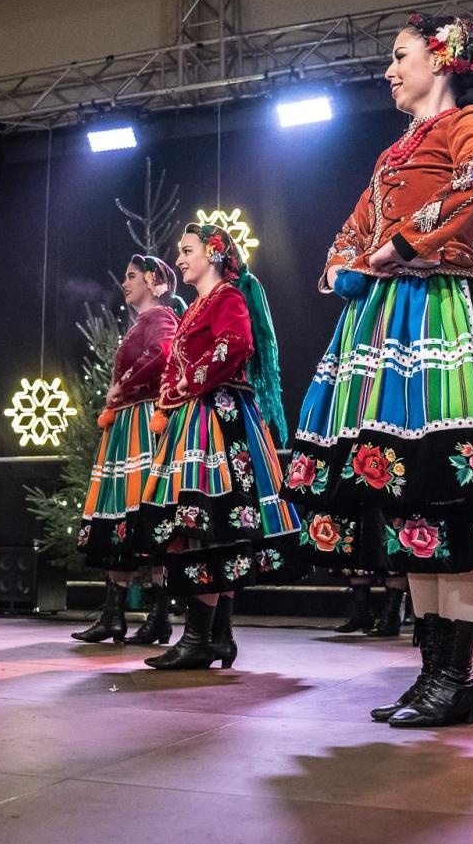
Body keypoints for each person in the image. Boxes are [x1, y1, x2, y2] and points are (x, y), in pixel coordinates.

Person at [285, 13, 473, 728]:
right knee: (409, 491)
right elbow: (354, 225)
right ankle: (435, 673)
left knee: (449, 485)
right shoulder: (393, 151)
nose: (388, 70)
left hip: (442, 309)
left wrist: (404, 244)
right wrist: (347, 264)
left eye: (399, 56)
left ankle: (455, 677)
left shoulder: (466, 122)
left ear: (441, 59)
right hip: (390, 316)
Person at [134, 224, 303, 669]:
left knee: (207, 523)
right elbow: (174, 363)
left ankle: (198, 640)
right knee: (208, 525)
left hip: (218, 416)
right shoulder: (196, 307)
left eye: (187, 251)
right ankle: (218, 636)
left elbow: (238, 343)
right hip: (199, 414)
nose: (180, 259)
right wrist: (172, 396)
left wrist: (193, 380)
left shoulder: (228, 297)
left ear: (212, 254)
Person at [71, 256, 181, 644]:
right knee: (121, 514)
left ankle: (156, 617)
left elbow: (165, 354)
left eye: (132, 276)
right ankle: (115, 615)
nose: (124, 282)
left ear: (154, 282)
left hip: (141, 424)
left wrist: (123, 386)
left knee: (141, 513)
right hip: (127, 423)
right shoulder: (143, 322)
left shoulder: (160, 318)